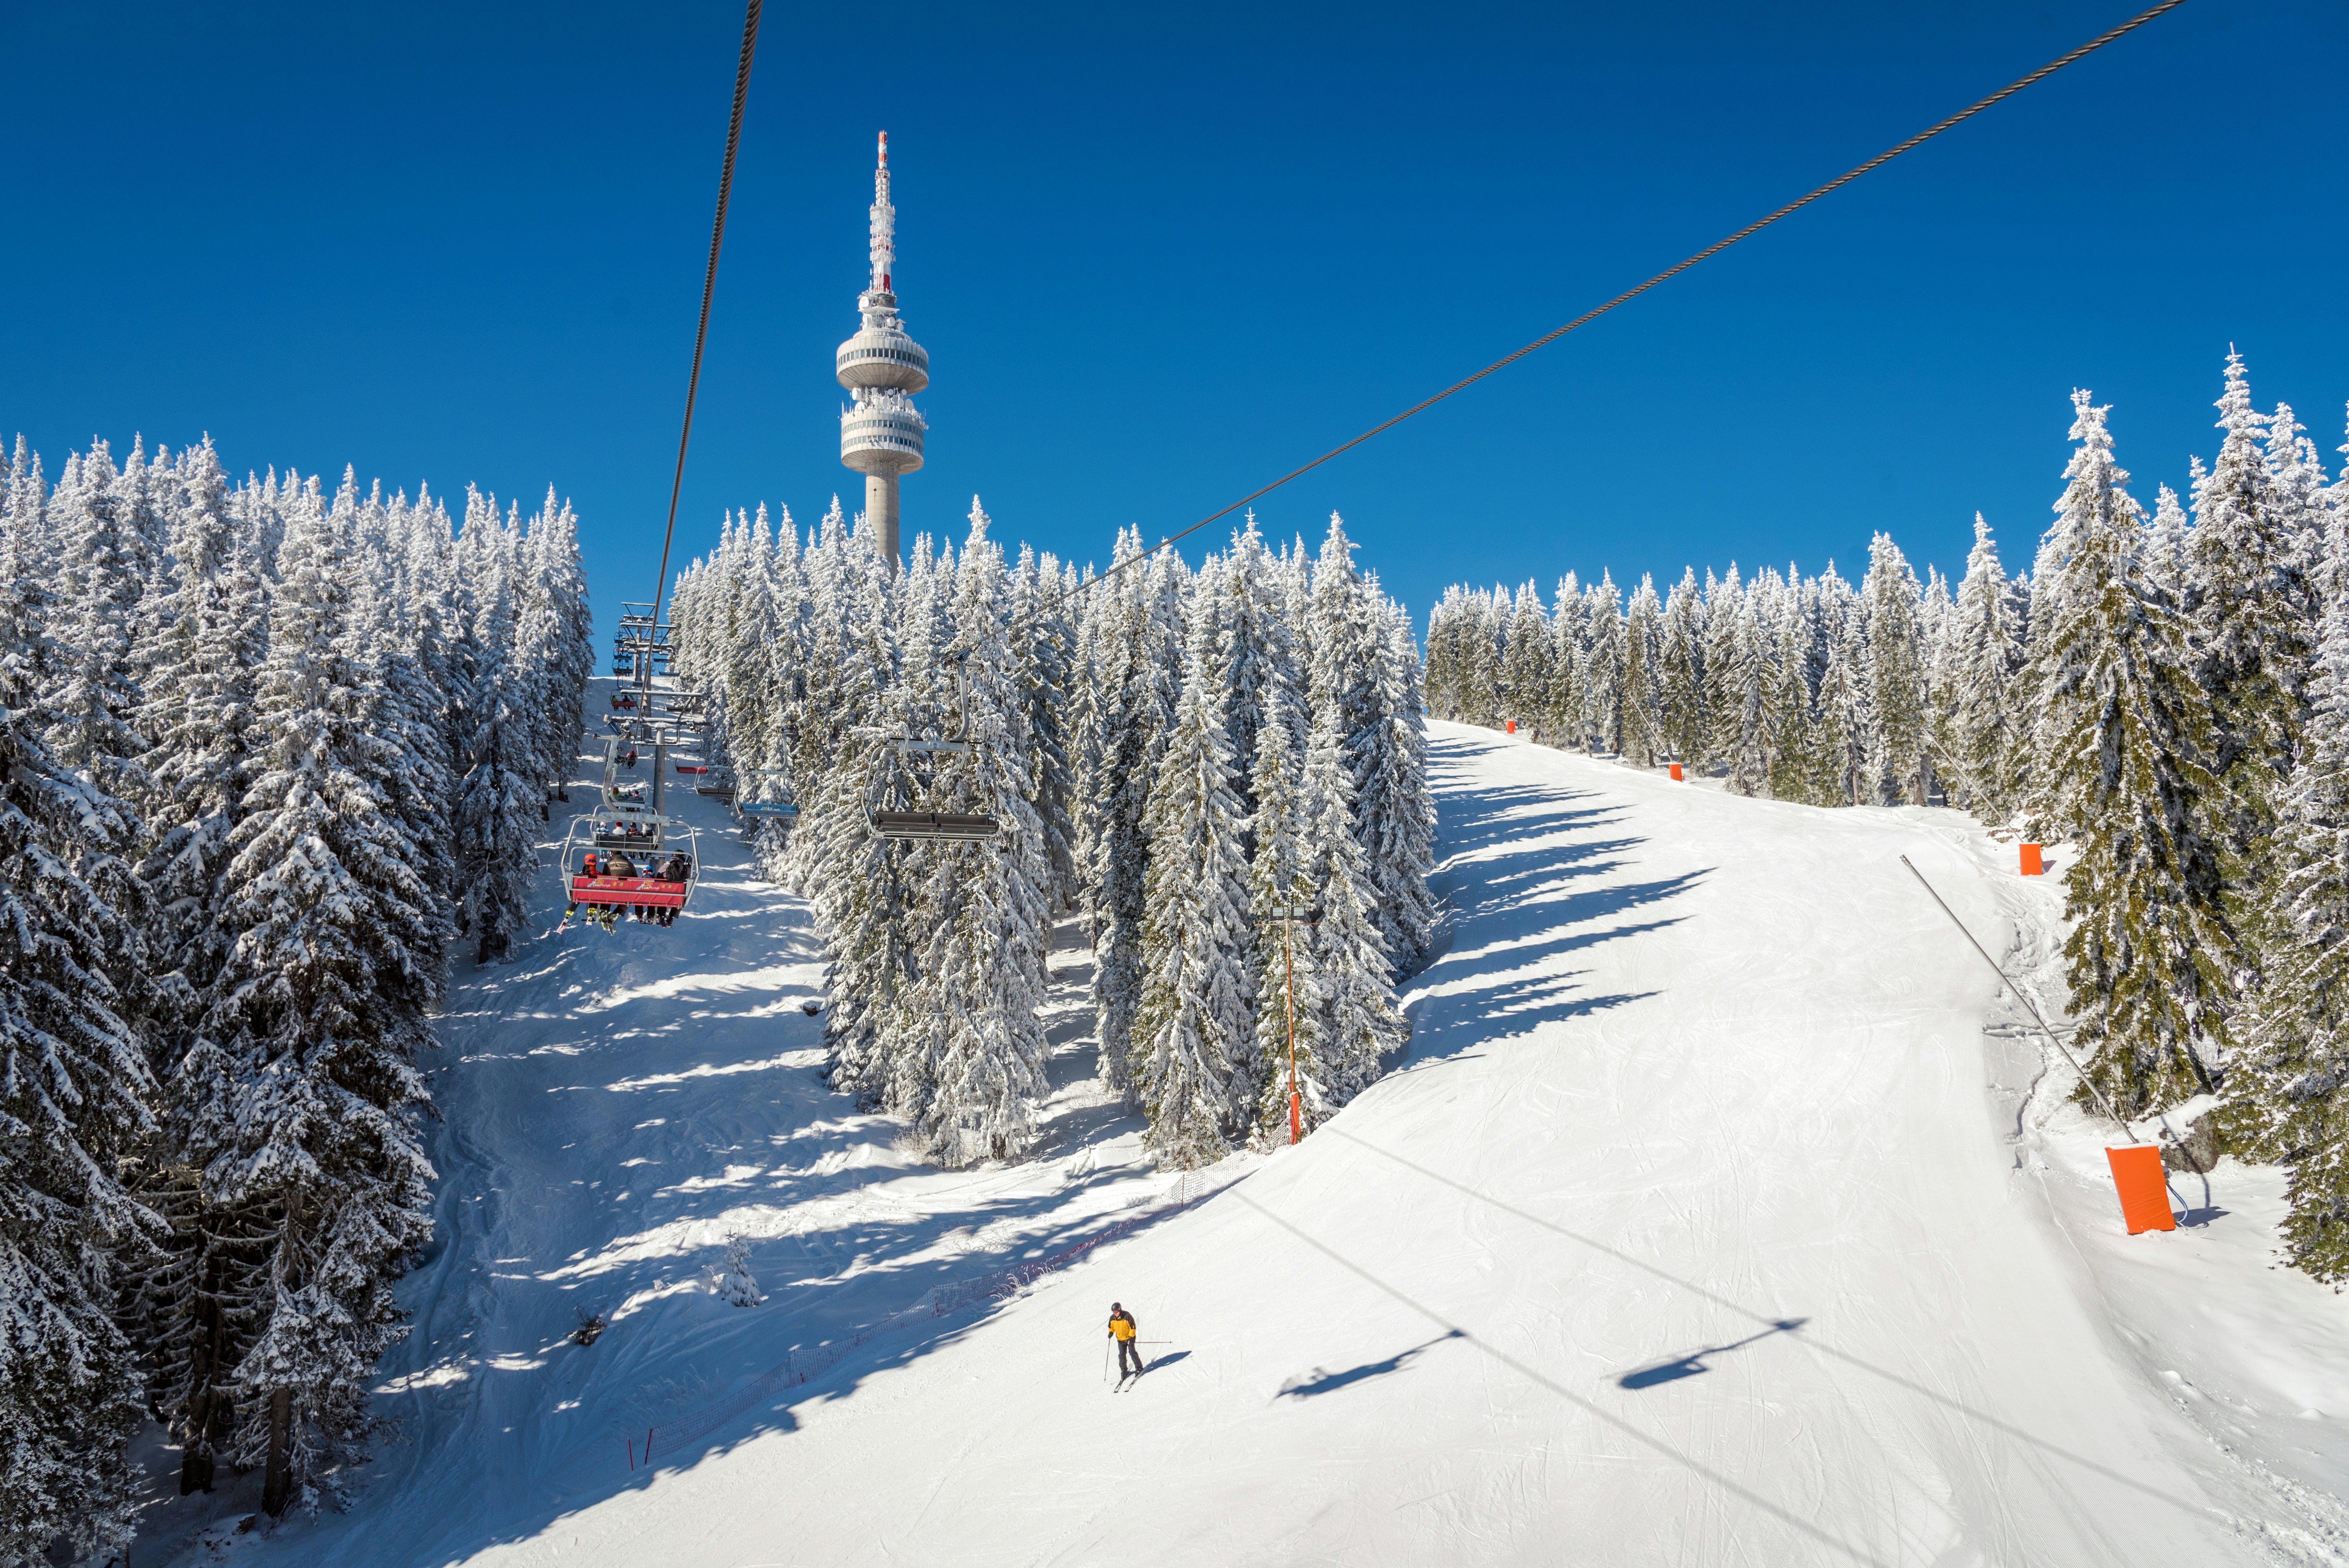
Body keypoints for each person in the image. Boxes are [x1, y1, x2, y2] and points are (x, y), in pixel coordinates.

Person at [1108, 1303, 1141, 1381]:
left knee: (1132, 1353)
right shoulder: (1113, 1318)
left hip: (1130, 1339)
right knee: (1122, 1356)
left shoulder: (1127, 1316)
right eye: (1114, 1312)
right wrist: (1111, 1332)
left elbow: (1133, 1327)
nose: (1115, 1314)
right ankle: (1124, 1370)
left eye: (1116, 1312)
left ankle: (1139, 1367)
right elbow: (1111, 1327)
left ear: (1120, 1310)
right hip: (1120, 1340)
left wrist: (1131, 1338)